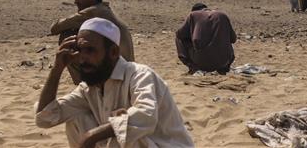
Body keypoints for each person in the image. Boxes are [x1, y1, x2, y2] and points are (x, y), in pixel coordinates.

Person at [35, 18, 194, 148]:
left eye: (90, 50)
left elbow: (146, 115)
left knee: (124, 135)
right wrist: (57, 69)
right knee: (76, 119)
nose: (82, 58)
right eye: (80, 50)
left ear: (113, 52)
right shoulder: (88, 88)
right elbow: (45, 119)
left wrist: (92, 136)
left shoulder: (140, 74)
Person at [50, 0, 135, 84]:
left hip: (116, 73)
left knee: (67, 38)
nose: (75, 1)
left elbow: (55, 28)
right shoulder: (104, 10)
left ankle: (85, 85)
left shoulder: (94, 11)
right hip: (125, 69)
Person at [175, 3, 236, 74]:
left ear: (194, 11)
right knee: (226, 38)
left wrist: (191, 35)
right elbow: (233, 39)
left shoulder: (193, 15)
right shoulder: (222, 15)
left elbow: (179, 34)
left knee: (178, 39)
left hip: (201, 61)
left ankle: (194, 68)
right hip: (223, 61)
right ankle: (224, 69)